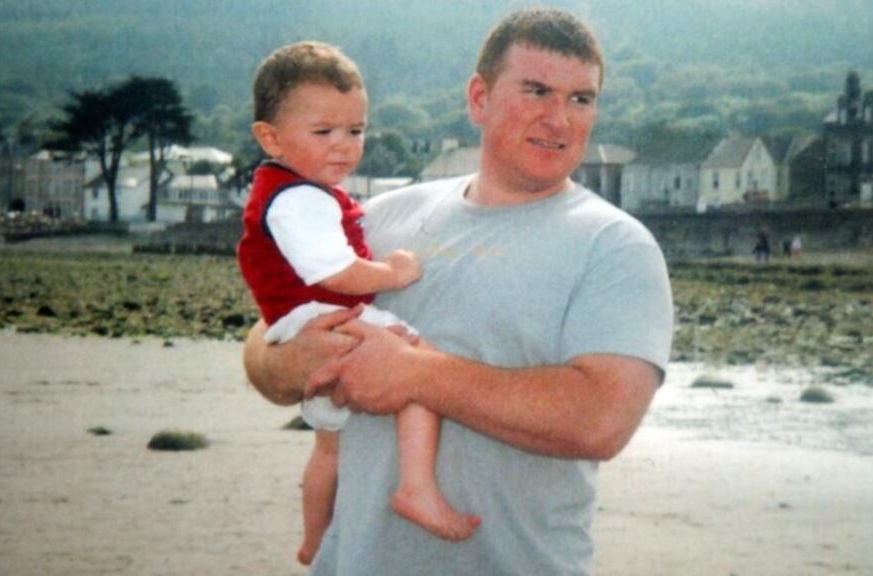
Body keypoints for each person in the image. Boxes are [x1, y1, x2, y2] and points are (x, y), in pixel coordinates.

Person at [243, 9, 673, 574]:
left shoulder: (615, 245)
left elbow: (601, 420)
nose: (559, 120)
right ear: (479, 98)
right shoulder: (381, 217)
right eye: (537, 91)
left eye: (581, 99)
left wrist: (414, 374)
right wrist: (299, 361)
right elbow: (265, 342)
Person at [236, 41, 479, 566]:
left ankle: (313, 541)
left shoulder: (293, 190)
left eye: (356, 131)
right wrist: (392, 272)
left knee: (328, 447)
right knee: (422, 365)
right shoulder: (300, 199)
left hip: (298, 324)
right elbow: (334, 271)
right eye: (324, 132)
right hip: (323, 320)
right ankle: (416, 485)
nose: (344, 146)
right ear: (269, 137)